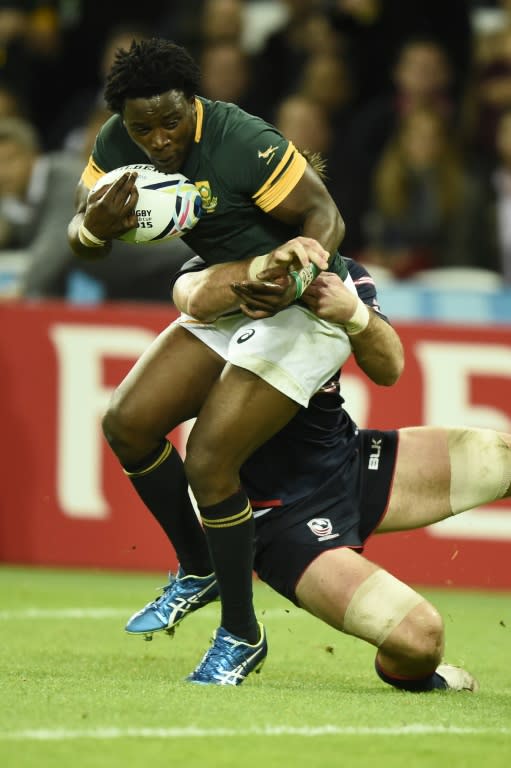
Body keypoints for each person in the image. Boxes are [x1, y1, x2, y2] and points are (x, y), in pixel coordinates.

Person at [66, 37, 357, 685]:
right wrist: (92, 229)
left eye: (172, 121)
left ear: (192, 104)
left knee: (209, 459)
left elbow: (323, 213)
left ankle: (240, 633)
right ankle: (195, 566)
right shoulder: (117, 143)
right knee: (127, 422)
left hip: (306, 301)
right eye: (145, 129)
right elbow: (79, 238)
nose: (160, 139)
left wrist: (295, 269)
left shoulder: (240, 140)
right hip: (231, 289)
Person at [126, 254, 511, 692]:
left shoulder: (338, 270)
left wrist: (356, 315)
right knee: (421, 640)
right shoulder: (217, 270)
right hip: (284, 521)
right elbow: (191, 296)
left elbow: (390, 367)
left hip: (348, 459)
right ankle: (430, 681)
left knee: (502, 455)